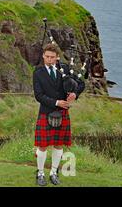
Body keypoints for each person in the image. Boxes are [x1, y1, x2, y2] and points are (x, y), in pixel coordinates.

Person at [33, 43, 84, 186]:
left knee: (58, 144)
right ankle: (40, 173)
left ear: (57, 58)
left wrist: (75, 94)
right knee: (42, 146)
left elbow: (81, 83)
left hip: (62, 114)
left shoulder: (65, 69)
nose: (49, 60)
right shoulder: (38, 73)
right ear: (43, 56)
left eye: (52, 57)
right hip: (46, 111)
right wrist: (56, 102)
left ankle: (54, 173)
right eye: (47, 57)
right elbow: (38, 95)